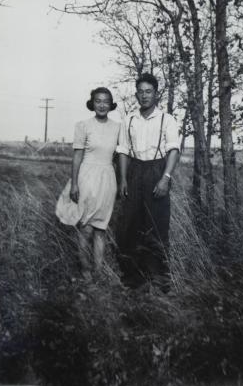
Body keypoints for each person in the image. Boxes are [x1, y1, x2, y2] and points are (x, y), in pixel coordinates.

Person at [117, 73, 180, 288]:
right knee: (130, 226)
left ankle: (161, 280)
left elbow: (173, 150)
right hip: (134, 171)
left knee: (157, 226)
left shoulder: (167, 119)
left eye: (148, 92)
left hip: (157, 171)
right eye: (141, 92)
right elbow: (123, 151)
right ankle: (133, 280)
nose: (144, 96)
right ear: (136, 94)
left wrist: (165, 178)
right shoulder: (129, 120)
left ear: (156, 94)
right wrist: (123, 179)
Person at [56, 87, 120, 279]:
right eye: (98, 101)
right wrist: (74, 184)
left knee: (101, 229)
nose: (102, 105)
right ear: (92, 103)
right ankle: (86, 273)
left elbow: (120, 156)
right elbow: (77, 157)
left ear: (111, 105)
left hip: (107, 179)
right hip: (86, 179)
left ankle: (99, 272)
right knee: (85, 229)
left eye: (106, 101)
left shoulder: (118, 127)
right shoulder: (82, 125)